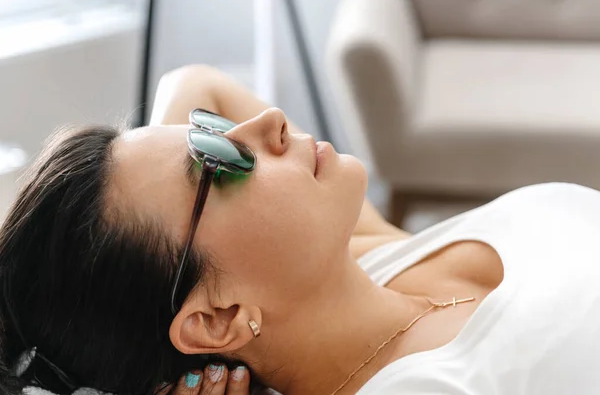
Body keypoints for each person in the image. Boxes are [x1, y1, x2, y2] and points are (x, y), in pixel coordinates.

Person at [2, 65, 600, 395]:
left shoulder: (374, 264)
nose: (269, 122)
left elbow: (196, 81)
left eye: (209, 128)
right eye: (218, 161)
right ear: (215, 319)